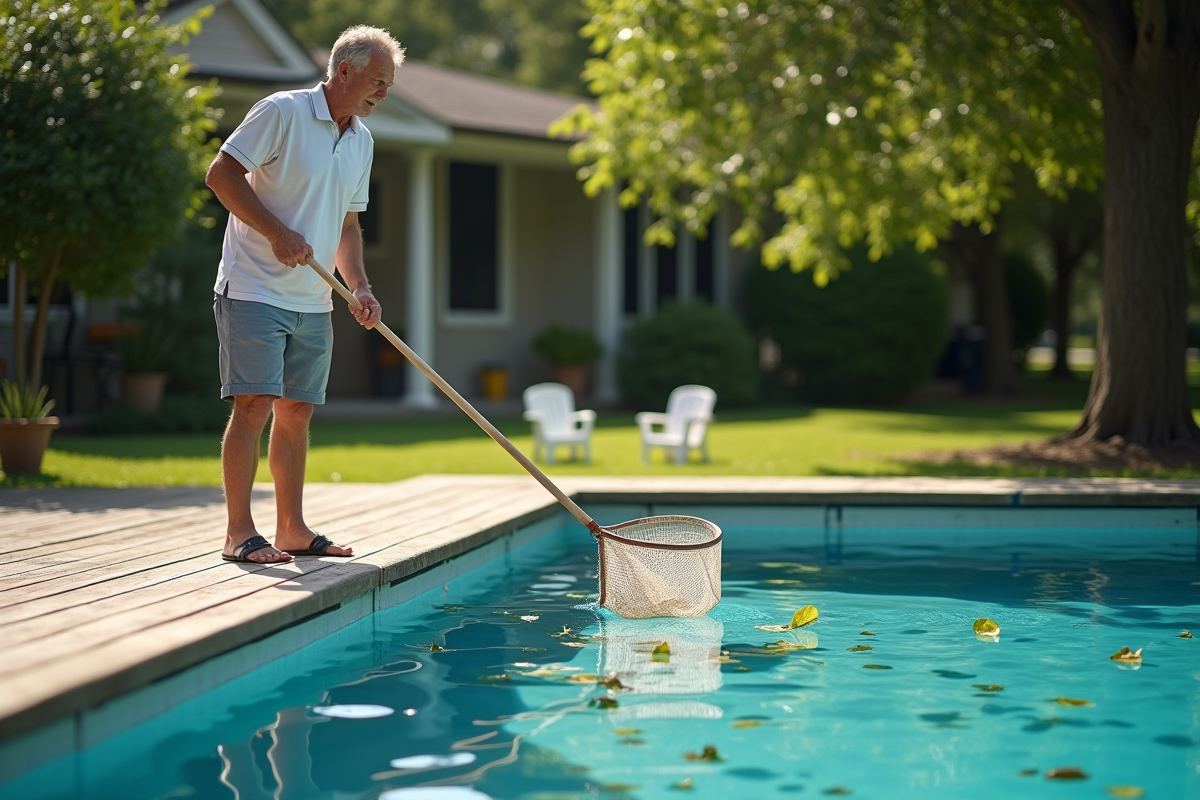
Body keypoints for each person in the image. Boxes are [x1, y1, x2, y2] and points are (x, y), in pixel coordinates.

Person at [205, 25, 404, 564]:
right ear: (344, 70)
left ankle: (291, 528)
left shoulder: (360, 139)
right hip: (253, 288)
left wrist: (359, 286)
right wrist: (276, 232)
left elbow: (346, 227)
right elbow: (221, 175)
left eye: (389, 84)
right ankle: (239, 533)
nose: (384, 93)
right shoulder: (283, 112)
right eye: (378, 81)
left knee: (296, 412)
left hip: (313, 299)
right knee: (254, 405)